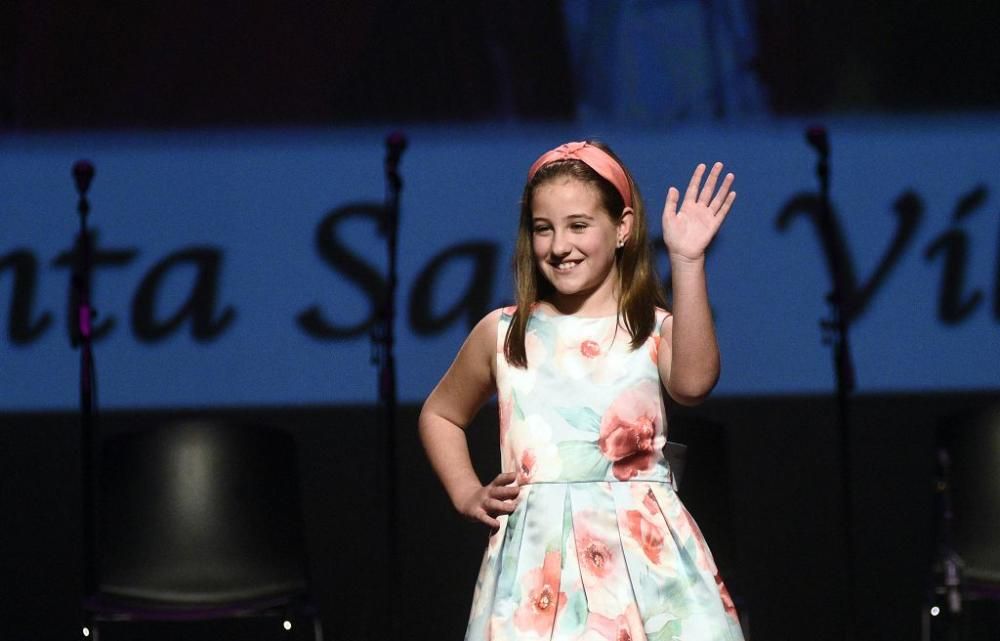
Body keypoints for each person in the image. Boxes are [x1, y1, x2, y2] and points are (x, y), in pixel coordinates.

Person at [419, 140, 743, 640]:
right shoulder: (504, 333)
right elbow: (441, 414)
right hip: (539, 568)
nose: (558, 245)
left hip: (645, 566)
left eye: (578, 225)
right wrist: (466, 492)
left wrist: (687, 260)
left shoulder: (651, 330)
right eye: (543, 228)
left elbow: (695, 383)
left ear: (624, 227)